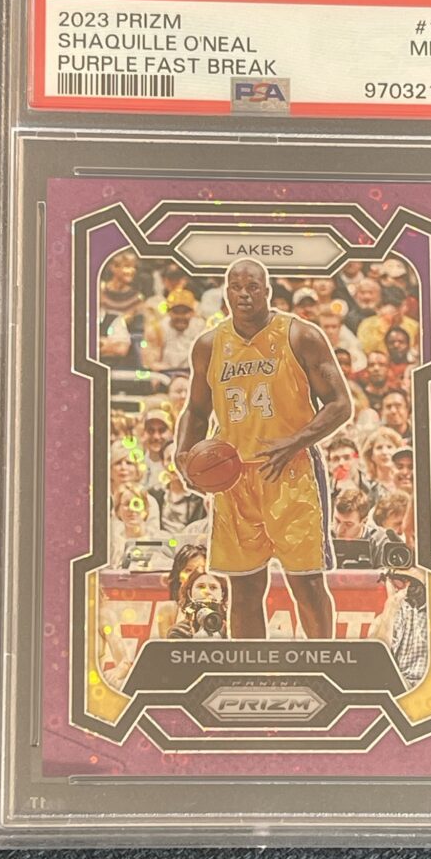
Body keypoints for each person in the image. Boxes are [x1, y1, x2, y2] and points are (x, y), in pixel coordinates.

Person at [176, 258, 352, 639]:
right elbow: (196, 409)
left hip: (292, 472)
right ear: (225, 293)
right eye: (236, 287)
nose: (244, 294)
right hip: (233, 477)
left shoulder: (300, 335)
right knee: (243, 589)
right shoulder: (208, 345)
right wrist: (183, 454)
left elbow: (341, 404)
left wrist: (295, 441)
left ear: (267, 292)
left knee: (306, 583)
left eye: (252, 287)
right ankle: (249, 667)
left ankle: (323, 661)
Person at [368, 567, 428, 689]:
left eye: (411, 581)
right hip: (399, 688)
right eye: (400, 580)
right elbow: (375, 661)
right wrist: (391, 606)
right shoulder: (384, 619)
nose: (407, 587)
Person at [150, 441, 205, 534]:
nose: (174, 465)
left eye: (177, 459)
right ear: (163, 463)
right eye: (169, 459)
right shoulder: (154, 495)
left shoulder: (202, 496)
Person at [146, 288, 205, 370]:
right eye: (176, 312)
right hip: (165, 373)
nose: (180, 317)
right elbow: (151, 362)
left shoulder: (201, 329)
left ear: (193, 313)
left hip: (193, 373)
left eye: (185, 312)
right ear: (169, 313)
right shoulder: (159, 329)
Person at [167, 568, 229, 639]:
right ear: (189, 593)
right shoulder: (178, 631)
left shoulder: (230, 630)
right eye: (201, 586)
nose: (207, 591)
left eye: (213, 587)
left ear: (222, 594)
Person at [362, 426, 405, 501]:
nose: (384, 452)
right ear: (371, 456)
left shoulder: (406, 482)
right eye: (379, 447)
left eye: (389, 447)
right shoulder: (365, 485)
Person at [318, 308, 367, 372]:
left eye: (334, 327)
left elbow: (360, 368)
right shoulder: (315, 350)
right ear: (319, 327)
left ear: (340, 327)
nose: (330, 331)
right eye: (326, 327)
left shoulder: (352, 349)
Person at [141, 407, 173, 487]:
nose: (156, 437)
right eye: (150, 430)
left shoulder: (178, 468)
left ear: (172, 433)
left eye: (162, 430)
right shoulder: (136, 465)